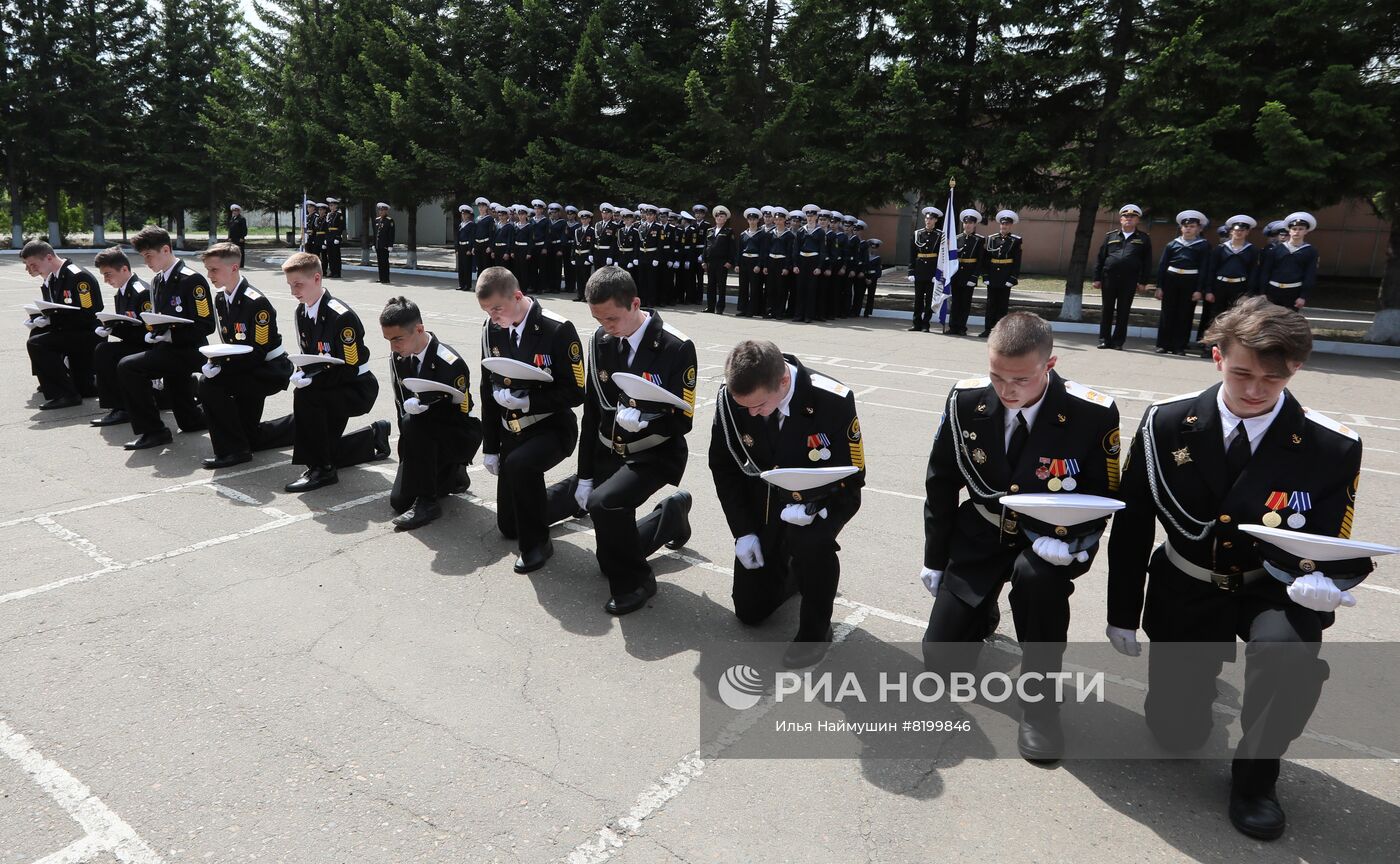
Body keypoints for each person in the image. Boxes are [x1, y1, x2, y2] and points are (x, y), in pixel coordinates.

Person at [1106, 296, 1363, 841]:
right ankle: (1196, 688)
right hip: (1189, 581)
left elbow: (1332, 536)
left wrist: (1329, 581)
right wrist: (1122, 612)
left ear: (1295, 369)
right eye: (1242, 372)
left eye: (1273, 378)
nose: (1254, 390)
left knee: (1288, 656)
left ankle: (1256, 778)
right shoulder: (1166, 423)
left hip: (1271, 586)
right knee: (1176, 734)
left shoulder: (1331, 444)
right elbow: (1133, 525)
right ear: (1217, 356)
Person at [919, 311, 1121, 762]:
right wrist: (934, 559)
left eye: (1021, 379)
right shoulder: (966, 400)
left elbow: (1102, 494)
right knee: (940, 662)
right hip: (982, 534)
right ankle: (979, 611)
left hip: (1047, 542)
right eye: (996, 375)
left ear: (1049, 366)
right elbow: (940, 480)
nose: (1006, 390)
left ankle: (1040, 704)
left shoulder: (1092, 412)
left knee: (1039, 586)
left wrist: (1069, 541)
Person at [708, 339, 865, 668]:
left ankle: (815, 630)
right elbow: (723, 468)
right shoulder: (733, 398)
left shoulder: (832, 400)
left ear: (783, 382)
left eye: (759, 406)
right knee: (750, 612)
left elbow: (853, 477)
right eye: (746, 407)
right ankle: (794, 572)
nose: (751, 413)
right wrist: (743, 532)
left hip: (818, 504)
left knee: (811, 546)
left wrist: (816, 512)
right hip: (765, 504)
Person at [566, 267, 696, 613]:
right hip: (611, 450)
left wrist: (647, 420)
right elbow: (592, 412)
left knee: (605, 505)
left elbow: (683, 420)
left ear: (635, 303)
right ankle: (670, 518)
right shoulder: (601, 340)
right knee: (606, 556)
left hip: (654, 451)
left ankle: (638, 582)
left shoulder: (675, 346)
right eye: (598, 318)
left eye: (612, 318)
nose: (606, 326)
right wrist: (585, 474)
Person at [476, 266, 586, 573]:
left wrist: (530, 400)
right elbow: (487, 390)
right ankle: (572, 493)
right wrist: (491, 447)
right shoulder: (491, 329)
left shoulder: (557, 329)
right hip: (512, 432)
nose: (493, 316)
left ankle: (537, 545)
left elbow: (577, 391)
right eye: (486, 310)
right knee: (509, 526)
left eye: (497, 308)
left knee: (521, 465)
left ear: (518, 296)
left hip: (551, 428)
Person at [282, 252, 389, 492]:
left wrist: (312, 381)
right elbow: (310, 354)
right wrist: (303, 373)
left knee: (307, 398)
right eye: (290, 285)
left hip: (356, 387)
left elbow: (350, 368)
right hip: (331, 383)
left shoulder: (341, 317)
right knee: (326, 441)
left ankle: (322, 470)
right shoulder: (302, 311)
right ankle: (372, 438)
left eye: (298, 284)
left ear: (317, 278)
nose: (293, 292)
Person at [380, 296, 483, 530]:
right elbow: (401, 403)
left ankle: (429, 501)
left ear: (419, 329)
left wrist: (428, 407)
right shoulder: (398, 358)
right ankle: (452, 477)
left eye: (398, 339)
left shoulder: (449, 362)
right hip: (420, 437)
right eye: (388, 340)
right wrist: (407, 454)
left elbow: (464, 409)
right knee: (399, 502)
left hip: (454, 435)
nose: (394, 346)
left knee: (415, 421)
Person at [195, 243, 296, 469]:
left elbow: (258, 353)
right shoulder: (222, 299)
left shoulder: (256, 302)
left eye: (214, 269)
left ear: (234, 267)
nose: (209, 275)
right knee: (250, 436)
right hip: (246, 367)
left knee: (209, 385)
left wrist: (221, 368)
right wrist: (217, 361)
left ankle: (233, 451)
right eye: (208, 269)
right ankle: (301, 425)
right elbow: (231, 343)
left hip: (268, 369)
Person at [117, 226, 215, 449]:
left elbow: (206, 325)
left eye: (149, 256)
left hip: (189, 351)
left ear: (165, 250)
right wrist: (155, 333)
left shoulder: (192, 280)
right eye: (143, 257)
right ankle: (212, 415)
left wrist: (171, 335)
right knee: (189, 422)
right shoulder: (158, 281)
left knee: (128, 367)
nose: (147, 262)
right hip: (168, 350)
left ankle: (154, 431)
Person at [21, 241, 103, 409]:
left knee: (37, 343)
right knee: (36, 333)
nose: (31, 269)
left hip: (85, 334)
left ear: (49, 258)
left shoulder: (78, 277)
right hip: (70, 331)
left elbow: (88, 314)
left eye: (34, 264)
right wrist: (41, 318)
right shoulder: (52, 278)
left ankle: (66, 394)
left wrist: (52, 320)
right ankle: (54, 383)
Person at [89, 247, 152, 427]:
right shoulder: (123, 291)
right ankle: (117, 405)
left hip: (146, 345)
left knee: (106, 352)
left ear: (124, 269)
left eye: (108, 274)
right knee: (103, 349)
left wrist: (114, 328)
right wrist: (110, 327)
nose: (106, 280)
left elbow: (148, 330)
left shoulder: (141, 292)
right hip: (134, 342)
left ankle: (121, 408)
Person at [1197, 214, 1260, 353]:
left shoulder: (1252, 250)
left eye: (1242, 231)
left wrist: (1248, 294)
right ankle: (1210, 346)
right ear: (1231, 231)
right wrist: (1208, 290)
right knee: (1216, 317)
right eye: (1236, 230)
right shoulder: (1220, 249)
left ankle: (1228, 348)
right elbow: (1211, 270)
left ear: (1247, 232)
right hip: (1220, 286)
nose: (1239, 233)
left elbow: (1253, 272)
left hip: (1239, 287)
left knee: (1235, 318)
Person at [1093, 204, 1152, 349]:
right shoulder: (1110, 236)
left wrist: (1143, 281)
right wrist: (1096, 278)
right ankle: (1104, 340)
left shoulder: (1143, 238)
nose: (1129, 219)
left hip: (1129, 280)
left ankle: (1118, 342)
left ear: (1137, 220)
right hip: (1109, 278)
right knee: (1106, 309)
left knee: (1123, 311)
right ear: (1121, 219)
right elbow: (1101, 258)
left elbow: (1147, 262)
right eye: (1126, 217)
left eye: (1132, 217)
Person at [1154, 209, 1213, 355]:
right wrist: (1159, 286)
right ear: (1181, 228)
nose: (1188, 228)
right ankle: (1163, 344)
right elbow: (1162, 267)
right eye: (1186, 226)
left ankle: (1179, 346)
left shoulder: (1204, 246)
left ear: (1199, 229)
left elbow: (1204, 269)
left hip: (1190, 281)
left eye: (1192, 226)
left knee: (1185, 314)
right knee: (1167, 313)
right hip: (1171, 280)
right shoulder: (1172, 245)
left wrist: (1199, 289)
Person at [1258, 212, 1318, 311]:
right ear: (1289, 231)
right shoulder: (1275, 250)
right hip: (1272, 290)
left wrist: (1303, 296)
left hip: (1293, 292)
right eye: (1294, 229)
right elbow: (1266, 271)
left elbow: (1310, 275)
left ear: (1306, 231)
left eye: (1300, 229)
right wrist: (1263, 292)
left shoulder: (1311, 251)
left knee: (1288, 323)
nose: (1297, 232)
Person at [981, 210, 1022, 337]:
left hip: (1005, 276)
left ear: (1011, 226)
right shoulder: (991, 239)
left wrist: (1012, 278)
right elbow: (986, 259)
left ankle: (1000, 332)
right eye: (1003, 224)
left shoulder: (1015, 241)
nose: (1004, 226)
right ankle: (988, 330)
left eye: (1007, 225)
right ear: (1000, 225)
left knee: (1002, 306)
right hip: (993, 275)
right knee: (990, 304)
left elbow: (1017, 261)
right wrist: (986, 275)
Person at [946, 209, 985, 336]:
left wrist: (974, 277)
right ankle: (953, 326)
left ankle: (962, 327)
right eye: (965, 222)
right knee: (955, 302)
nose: (967, 225)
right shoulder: (956, 238)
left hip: (969, 274)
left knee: (965, 303)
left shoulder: (979, 240)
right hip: (956, 274)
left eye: (970, 223)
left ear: (974, 225)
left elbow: (980, 261)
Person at [907, 206, 943, 332]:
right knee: (918, 299)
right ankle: (916, 323)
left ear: (935, 221)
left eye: (931, 219)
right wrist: (911, 271)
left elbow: (941, 256)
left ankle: (925, 324)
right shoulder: (917, 234)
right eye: (927, 219)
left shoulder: (940, 235)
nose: (928, 221)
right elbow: (912, 254)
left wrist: (938, 273)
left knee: (929, 300)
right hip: (919, 269)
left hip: (932, 271)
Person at [793, 204, 827, 323]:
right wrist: (795, 265)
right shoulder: (801, 230)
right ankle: (798, 315)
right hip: (802, 261)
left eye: (812, 216)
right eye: (808, 216)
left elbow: (823, 250)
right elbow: (796, 249)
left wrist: (819, 267)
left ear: (816, 217)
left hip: (813, 261)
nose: (810, 218)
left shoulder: (820, 232)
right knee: (800, 289)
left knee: (811, 290)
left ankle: (808, 316)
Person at [703, 205, 737, 314]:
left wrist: (730, 261)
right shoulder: (710, 230)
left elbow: (732, 248)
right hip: (711, 262)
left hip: (722, 262)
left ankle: (720, 308)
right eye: (717, 216)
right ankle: (710, 307)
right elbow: (706, 246)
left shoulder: (728, 231)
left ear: (725, 219)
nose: (719, 218)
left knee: (721, 286)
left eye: (722, 216)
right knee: (710, 286)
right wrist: (704, 260)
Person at [736, 207, 768, 318]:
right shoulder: (743, 234)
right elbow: (739, 250)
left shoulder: (762, 234)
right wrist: (737, 264)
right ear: (747, 220)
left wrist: (759, 265)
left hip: (755, 261)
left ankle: (752, 310)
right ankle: (742, 309)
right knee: (743, 287)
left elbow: (763, 251)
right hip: (744, 261)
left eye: (754, 219)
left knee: (754, 288)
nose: (752, 221)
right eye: (750, 219)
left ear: (758, 220)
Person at [764, 210, 795, 319]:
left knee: (781, 288)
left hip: (782, 262)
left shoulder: (789, 235)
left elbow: (790, 252)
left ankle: (779, 312)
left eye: (780, 219)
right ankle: (769, 311)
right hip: (771, 261)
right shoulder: (770, 233)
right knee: (770, 288)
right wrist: (766, 266)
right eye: (776, 219)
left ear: (784, 220)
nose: (778, 221)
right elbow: (766, 250)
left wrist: (787, 267)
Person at [572, 210, 596, 301]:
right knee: (578, 277)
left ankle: (586, 296)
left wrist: (589, 258)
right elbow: (574, 245)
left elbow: (592, 245)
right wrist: (572, 257)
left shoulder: (592, 231)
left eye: (586, 219)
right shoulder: (577, 230)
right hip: (578, 255)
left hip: (586, 255)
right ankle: (579, 295)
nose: (584, 221)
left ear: (589, 220)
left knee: (585, 277)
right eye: (582, 219)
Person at [858, 237, 883, 317]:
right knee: (860, 294)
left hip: (872, 278)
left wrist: (871, 279)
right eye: (871, 248)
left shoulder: (878, 258)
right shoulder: (865, 257)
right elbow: (862, 267)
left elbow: (878, 271)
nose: (873, 250)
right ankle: (857, 311)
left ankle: (867, 312)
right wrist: (865, 278)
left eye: (875, 248)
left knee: (871, 295)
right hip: (864, 277)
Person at [455, 204, 475, 291]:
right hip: (461, 246)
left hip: (467, 247)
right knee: (461, 267)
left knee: (467, 267)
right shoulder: (461, 225)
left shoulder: (471, 225)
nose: (464, 216)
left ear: (469, 215)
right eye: (462, 214)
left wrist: (469, 249)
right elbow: (457, 237)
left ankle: (467, 285)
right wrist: (457, 249)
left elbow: (472, 237)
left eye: (465, 214)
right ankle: (461, 284)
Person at [373, 203, 395, 284]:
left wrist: (390, 245)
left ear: (386, 211)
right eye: (380, 210)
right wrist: (373, 244)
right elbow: (375, 234)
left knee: (385, 262)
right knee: (380, 262)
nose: (381, 212)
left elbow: (391, 234)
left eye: (382, 210)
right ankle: (381, 277)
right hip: (378, 245)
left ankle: (386, 278)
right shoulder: (377, 220)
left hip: (385, 245)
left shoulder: (389, 220)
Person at [323, 198, 345, 277]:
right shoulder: (329, 215)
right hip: (329, 237)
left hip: (335, 236)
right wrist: (325, 238)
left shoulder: (339, 215)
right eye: (330, 205)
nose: (330, 207)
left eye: (332, 205)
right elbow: (326, 227)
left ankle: (337, 272)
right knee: (330, 255)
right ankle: (332, 271)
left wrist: (337, 237)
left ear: (336, 206)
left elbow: (341, 227)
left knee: (336, 255)